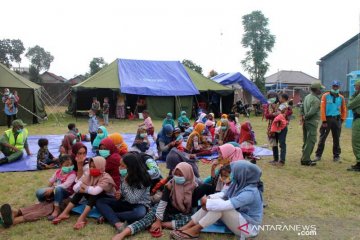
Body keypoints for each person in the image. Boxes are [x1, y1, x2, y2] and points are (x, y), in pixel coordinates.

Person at [171, 161, 263, 240]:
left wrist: (207, 202)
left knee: (220, 208)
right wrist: (209, 198)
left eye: (235, 172)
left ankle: (195, 230)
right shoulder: (239, 184)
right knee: (216, 204)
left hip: (248, 229)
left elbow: (227, 205)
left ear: (242, 174)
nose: (232, 174)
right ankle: (188, 226)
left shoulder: (250, 192)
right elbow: (223, 194)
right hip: (240, 220)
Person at [113, 162, 206, 240]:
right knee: (147, 219)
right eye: (176, 174)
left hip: (183, 215)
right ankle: (123, 234)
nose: (177, 177)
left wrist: (160, 223)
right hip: (165, 211)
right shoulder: (170, 185)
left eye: (181, 175)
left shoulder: (195, 188)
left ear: (188, 175)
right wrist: (158, 220)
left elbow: (193, 212)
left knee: (192, 221)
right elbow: (162, 204)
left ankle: (163, 224)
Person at [52, 157, 116, 230]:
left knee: (93, 194)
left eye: (94, 167)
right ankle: (65, 213)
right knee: (80, 192)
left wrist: (84, 188)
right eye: (90, 166)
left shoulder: (106, 177)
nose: (91, 168)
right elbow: (75, 188)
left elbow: (95, 191)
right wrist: (84, 188)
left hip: (107, 200)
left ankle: (82, 218)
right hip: (95, 198)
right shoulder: (89, 173)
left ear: (100, 166)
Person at [96, 153, 152, 232]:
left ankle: (109, 217)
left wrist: (125, 183)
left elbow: (133, 200)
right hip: (125, 202)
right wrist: (120, 194)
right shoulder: (125, 174)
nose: (120, 168)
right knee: (100, 201)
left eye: (122, 166)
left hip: (139, 204)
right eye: (120, 165)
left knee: (140, 214)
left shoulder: (143, 178)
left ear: (131, 167)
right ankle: (117, 222)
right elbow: (124, 193)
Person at [35, 154, 76, 220]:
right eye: (66, 165)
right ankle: (43, 202)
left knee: (58, 189)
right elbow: (51, 181)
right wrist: (47, 190)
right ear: (61, 165)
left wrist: (53, 188)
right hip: (54, 190)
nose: (69, 166)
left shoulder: (73, 174)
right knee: (39, 192)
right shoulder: (58, 172)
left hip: (66, 193)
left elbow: (66, 185)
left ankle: (56, 210)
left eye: (70, 164)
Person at [314, 80, 347, 162]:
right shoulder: (325, 96)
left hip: (337, 119)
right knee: (322, 138)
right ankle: (318, 155)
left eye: (336, 86)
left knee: (336, 138)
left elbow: (344, 109)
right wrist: (324, 121)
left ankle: (336, 156)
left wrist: (342, 118)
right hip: (327, 119)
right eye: (334, 86)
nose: (335, 87)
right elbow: (322, 109)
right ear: (331, 86)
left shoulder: (341, 97)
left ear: (339, 87)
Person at [300, 82, 325, 166]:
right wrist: (305, 117)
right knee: (311, 141)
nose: (321, 90)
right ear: (317, 89)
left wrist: (303, 116)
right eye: (320, 89)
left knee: (306, 140)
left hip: (306, 122)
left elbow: (302, 107)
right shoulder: (316, 100)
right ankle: (306, 160)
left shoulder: (307, 97)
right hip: (312, 122)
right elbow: (312, 112)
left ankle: (304, 156)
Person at [347, 80, 360, 171]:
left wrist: (352, 97)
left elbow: (349, 105)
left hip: (358, 120)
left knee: (356, 142)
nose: (354, 87)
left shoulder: (358, 96)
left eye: (355, 86)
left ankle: (359, 164)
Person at [264, 91, 280, 163]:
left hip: (280, 126)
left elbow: (287, 112)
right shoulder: (268, 106)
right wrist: (274, 114)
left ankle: (282, 159)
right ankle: (275, 159)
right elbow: (267, 115)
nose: (271, 99)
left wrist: (277, 115)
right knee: (274, 143)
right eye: (270, 98)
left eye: (273, 98)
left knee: (281, 143)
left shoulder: (280, 105)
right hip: (272, 126)